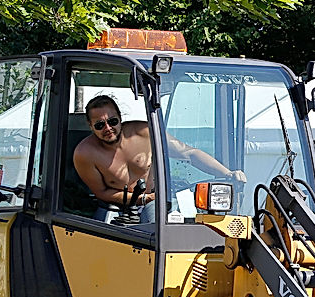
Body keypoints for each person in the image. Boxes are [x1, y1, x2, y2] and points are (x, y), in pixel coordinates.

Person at [72, 95, 245, 221]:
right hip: (116, 208)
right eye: (100, 125)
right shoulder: (84, 154)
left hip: (153, 201)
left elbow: (189, 153)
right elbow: (102, 192)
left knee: (165, 227)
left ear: (120, 117)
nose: (108, 128)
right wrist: (141, 199)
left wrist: (228, 173)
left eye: (113, 121)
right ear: (90, 126)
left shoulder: (146, 132)